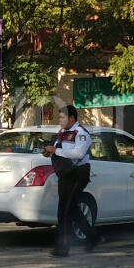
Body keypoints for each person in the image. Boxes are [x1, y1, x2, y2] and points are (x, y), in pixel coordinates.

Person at [43, 105, 104, 257]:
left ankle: (62, 247)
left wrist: (55, 150)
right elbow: (59, 150)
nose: (59, 120)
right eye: (59, 117)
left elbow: (78, 153)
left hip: (77, 173)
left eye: (62, 117)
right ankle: (94, 237)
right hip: (65, 173)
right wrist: (49, 151)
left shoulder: (81, 133)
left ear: (72, 118)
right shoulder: (62, 132)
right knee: (70, 208)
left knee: (63, 210)